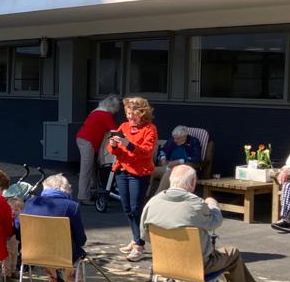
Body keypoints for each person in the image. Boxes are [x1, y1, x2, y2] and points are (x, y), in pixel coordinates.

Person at [140, 165, 263, 282]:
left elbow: (145, 235)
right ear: (192, 182)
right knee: (231, 253)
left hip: (163, 264)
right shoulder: (196, 204)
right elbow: (215, 223)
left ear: (171, 180)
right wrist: (212, 204)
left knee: (195, 252)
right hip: (196, 266)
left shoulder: (153, 202)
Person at [17, 173, 87, 282]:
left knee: (48, 249)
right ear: (66, 189)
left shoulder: (30, 203)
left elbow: (17, 227)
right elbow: (81, 239)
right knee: (70, 252)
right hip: (63, 255)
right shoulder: (72, 206)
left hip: (34, 253)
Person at [107, 96, 158, 262]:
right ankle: (136, 238)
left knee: (136, 208)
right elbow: (114, 150)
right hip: (122, 171)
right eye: (128, 113)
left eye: (133, 114)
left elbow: (146, 152)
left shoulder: (150, 129)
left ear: (142, 113)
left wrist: (127, 144)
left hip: (139, 173)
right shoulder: (123, 126)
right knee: (127, 208)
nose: (129, 117)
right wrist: (113, 145)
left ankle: (139, 244)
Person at [75, 95, 120, 204]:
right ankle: (83, 197)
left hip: (83, 139)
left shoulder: (96, 112)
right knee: (86, 169)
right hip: (88, 141)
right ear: (112, 107)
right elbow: (114, 130)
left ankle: (91, 191)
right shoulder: (106, 115)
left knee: (90, 168)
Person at [153, 126, 203, 194]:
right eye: (174, 138)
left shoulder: (193, 142)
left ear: (184, 136)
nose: (175, 140)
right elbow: (163, 150)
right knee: (150, 171)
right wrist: (163, 158)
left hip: (183, 170)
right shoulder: (172, 140)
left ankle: (158, 197)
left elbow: (197, 159)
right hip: (168, 166)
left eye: (177, 138)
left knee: (169, 174)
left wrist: (179, 161)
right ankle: (142, 195)